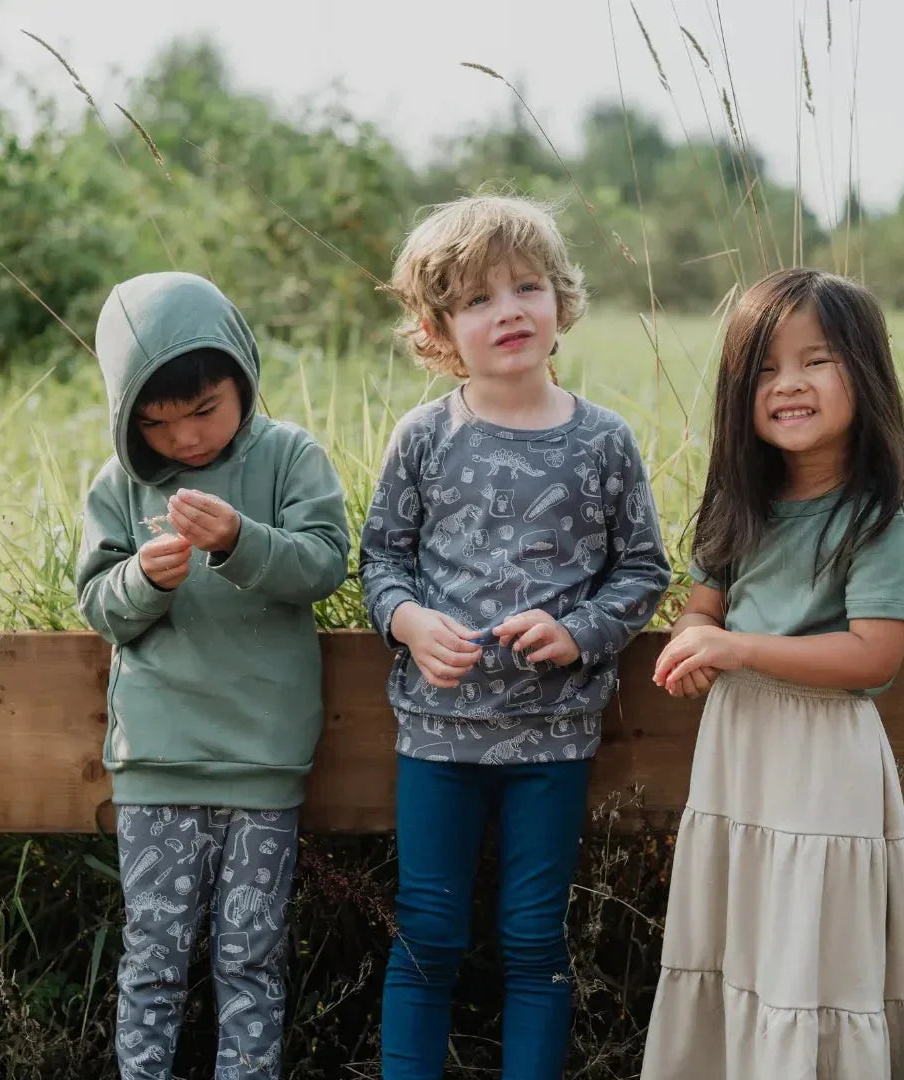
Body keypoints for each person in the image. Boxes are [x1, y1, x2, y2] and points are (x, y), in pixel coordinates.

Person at [359, 193, 672, 1079]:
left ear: (559, 301)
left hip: (554, 737)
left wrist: (578, 632)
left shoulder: (603, 441)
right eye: (477, 299)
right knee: (427, 931)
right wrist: (412, 623)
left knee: (534, 936)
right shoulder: (423, 437)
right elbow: (379, 561)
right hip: (439, 732)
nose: (509, 311)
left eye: (527, 286)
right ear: (437, 328)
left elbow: (644, 569)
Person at [642, 268, 904, 1079]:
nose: (788, 384)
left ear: (864, 375)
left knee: (810, 945)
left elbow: (872, 656)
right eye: (765, 368)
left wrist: (736, 649)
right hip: (740, 756)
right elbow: (704, 608)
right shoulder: (741, 504)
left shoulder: (878, 520)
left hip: (821, 763)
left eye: (817, 360)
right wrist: (695, 644)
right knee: (743, 945)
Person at [76, 271, 350, 1080]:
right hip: (157, 759)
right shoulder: (121, 484)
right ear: (130, 417)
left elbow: (326, 564)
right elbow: (99, 602)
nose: (187, 440)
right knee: (152, 962)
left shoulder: (289, 456)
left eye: (205, 410)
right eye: (158, 424)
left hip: (263, 760)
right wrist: (146, 581)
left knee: (250, 963)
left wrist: (239, 540)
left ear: (243, 376)